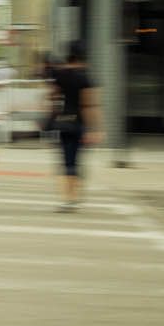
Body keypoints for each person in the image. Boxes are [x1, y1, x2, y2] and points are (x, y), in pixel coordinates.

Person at [50, 40, 101, 211]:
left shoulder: (59, 75)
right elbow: (88, 105)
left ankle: (65, 199)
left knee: (66, 161)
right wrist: (95, 128)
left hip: (64, 123)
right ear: (82, 56)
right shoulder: (85, 77)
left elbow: (53, 98)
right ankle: (74, 197)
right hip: (79, 124)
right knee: (77, 161)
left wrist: (52, 116)